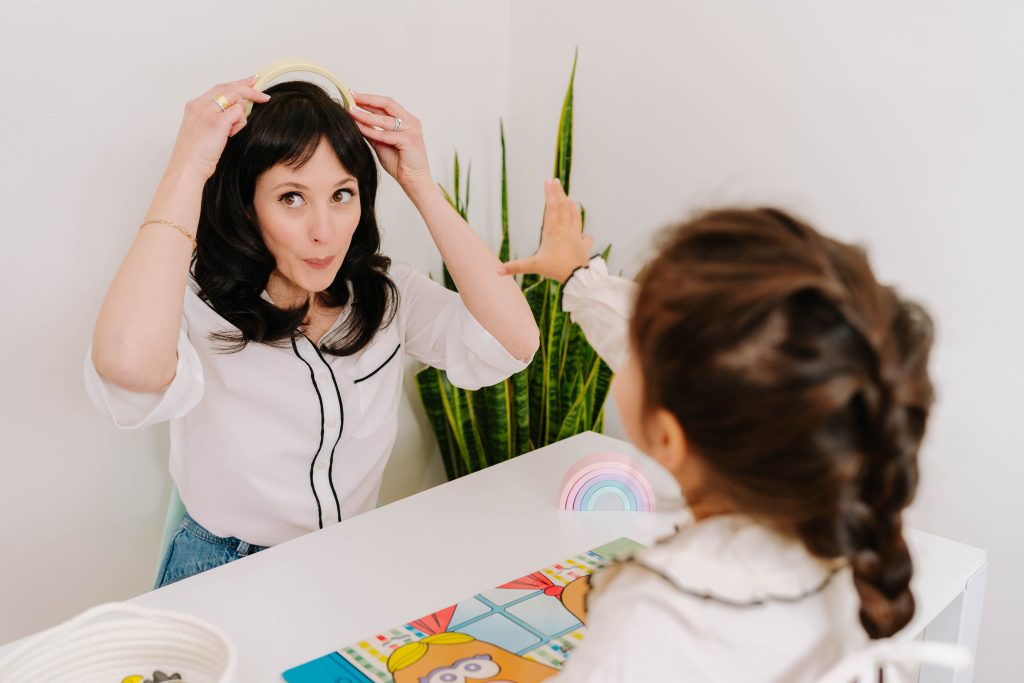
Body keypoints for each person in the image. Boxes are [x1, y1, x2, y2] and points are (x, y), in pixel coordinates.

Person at [87, 76, 539, 588]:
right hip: (224, 570)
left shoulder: (386, 295)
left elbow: (513, 342)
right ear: (246, 206)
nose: (324, 230)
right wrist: (189, 166)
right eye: (292, 198)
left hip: (353, 558)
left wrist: (419, 183)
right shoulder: (195, 305)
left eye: (342, 194)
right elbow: (128, 366)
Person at [499, 181, 934, 681]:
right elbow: (685, 369)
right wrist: (580, 277)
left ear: (668, 436)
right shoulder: (858, 549)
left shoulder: (653, 614)